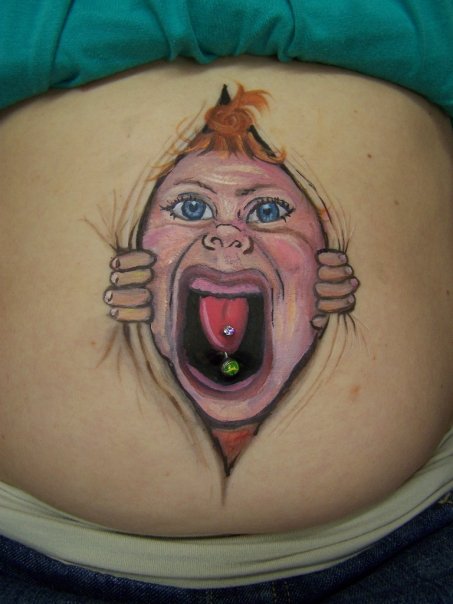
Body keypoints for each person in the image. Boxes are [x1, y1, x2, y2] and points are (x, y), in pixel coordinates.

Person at [0, 2, 452, 602]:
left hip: (413, 535)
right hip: (29, 548)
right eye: (191, 207)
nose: (227, 235)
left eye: (267, 211)